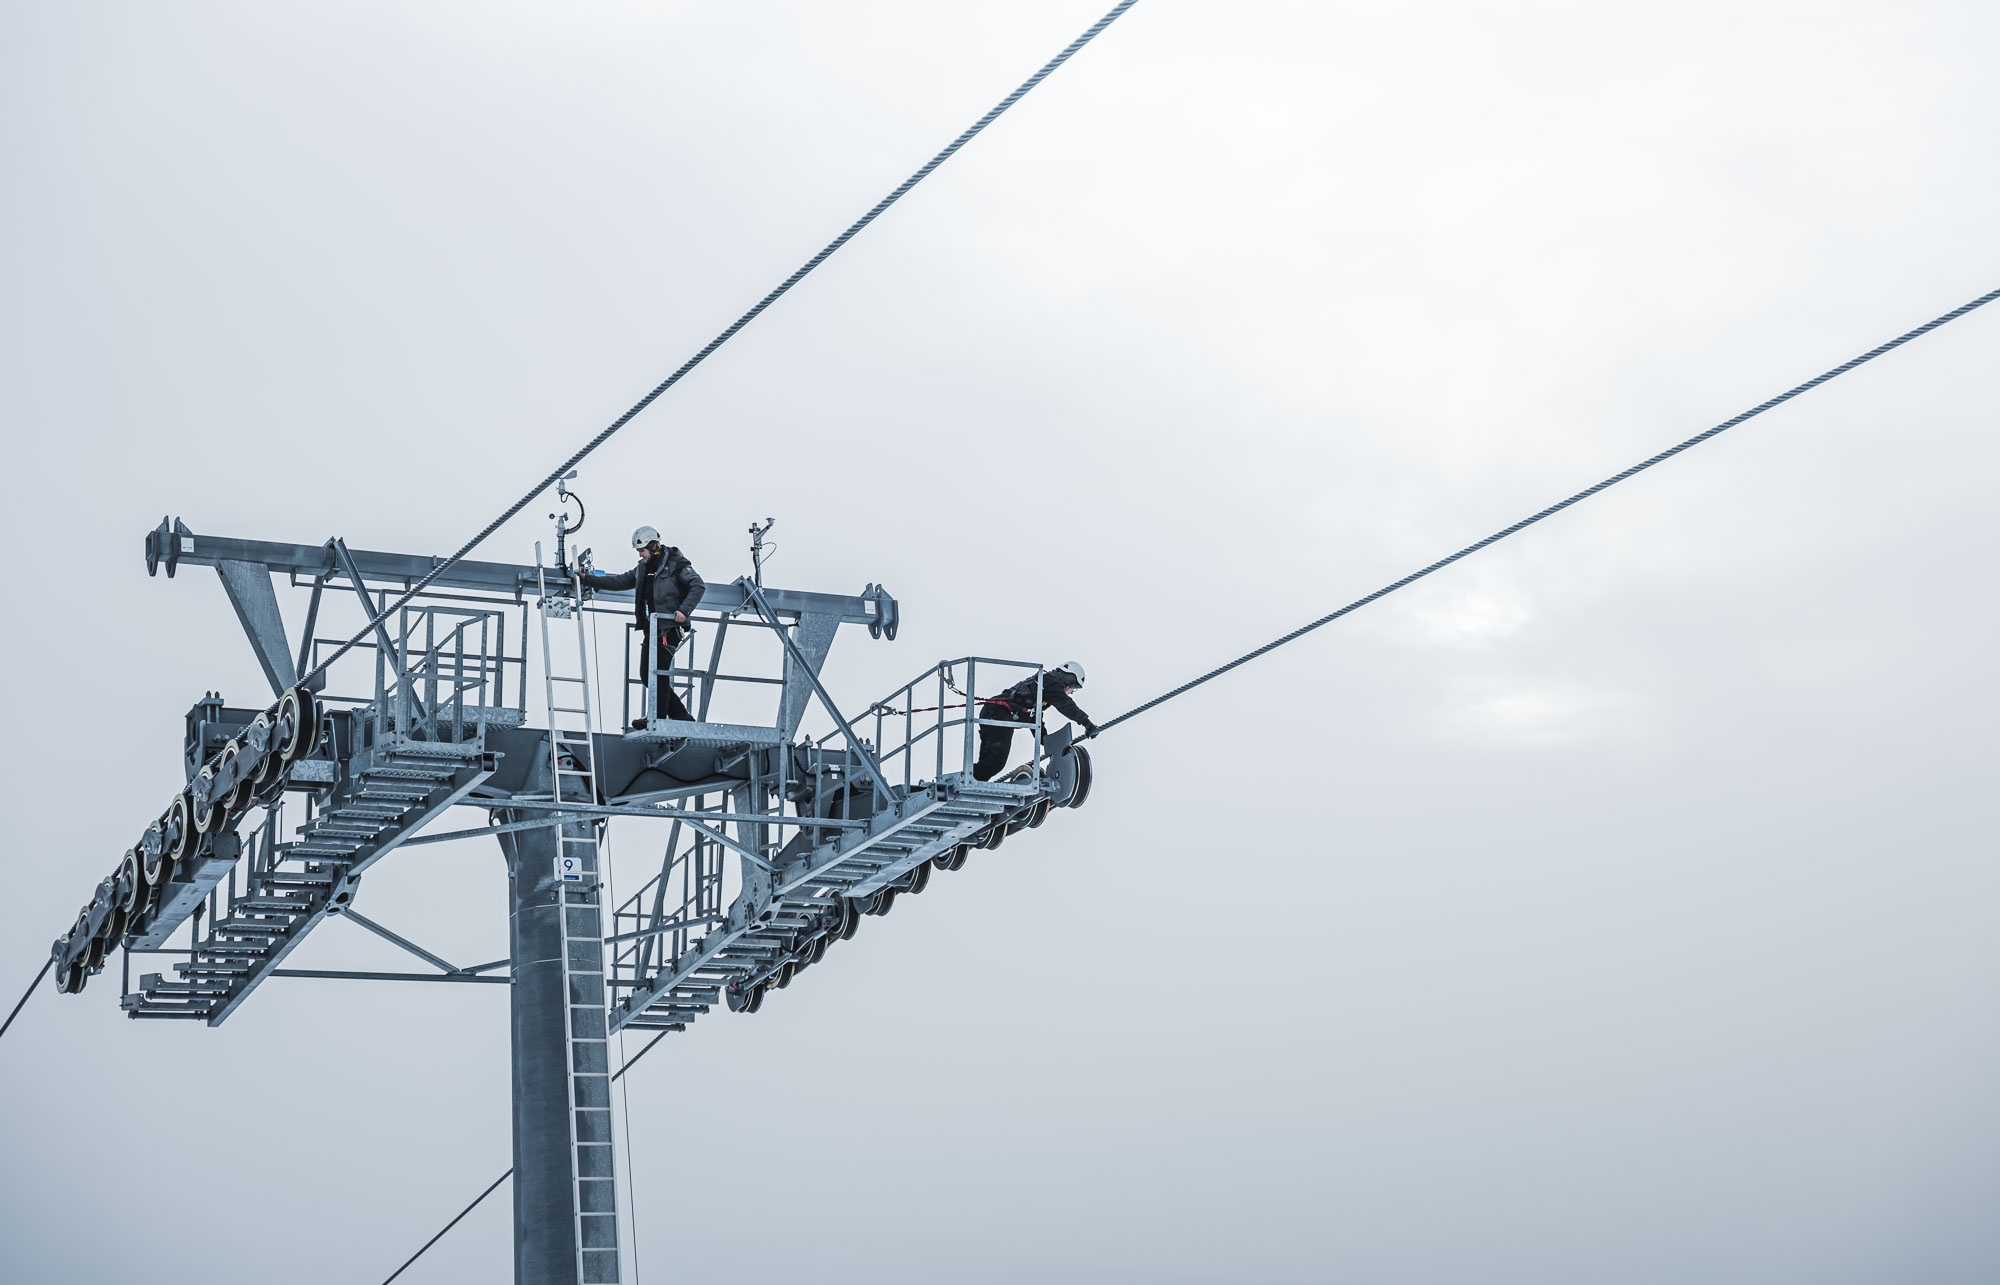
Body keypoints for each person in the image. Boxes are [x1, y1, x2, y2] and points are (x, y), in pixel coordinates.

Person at [582, 526, 705, 726]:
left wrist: (684, 611)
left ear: (654, 546)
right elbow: (619, 581)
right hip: (653, 629)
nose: (640, 554)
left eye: (642, 550)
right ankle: (682, 718)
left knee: (657, 671)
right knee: (648, 674)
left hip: (668, 628)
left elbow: (698, 585)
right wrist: (587, 579)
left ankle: (657, 718)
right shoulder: (642, 568)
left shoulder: (676, 563)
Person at [972, 662, 1096, 782]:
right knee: (994, 763)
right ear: (1069, 679)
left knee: (990, 763)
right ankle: (966, 781)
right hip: (999, 714)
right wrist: (1086, 723)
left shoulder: (1045, 685)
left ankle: (971, 781)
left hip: (994, 713)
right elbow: (1066, 705)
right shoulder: (1051, 682)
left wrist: (1045, 740)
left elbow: (1034, 717)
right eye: (1073, 688)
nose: (1071, 692)